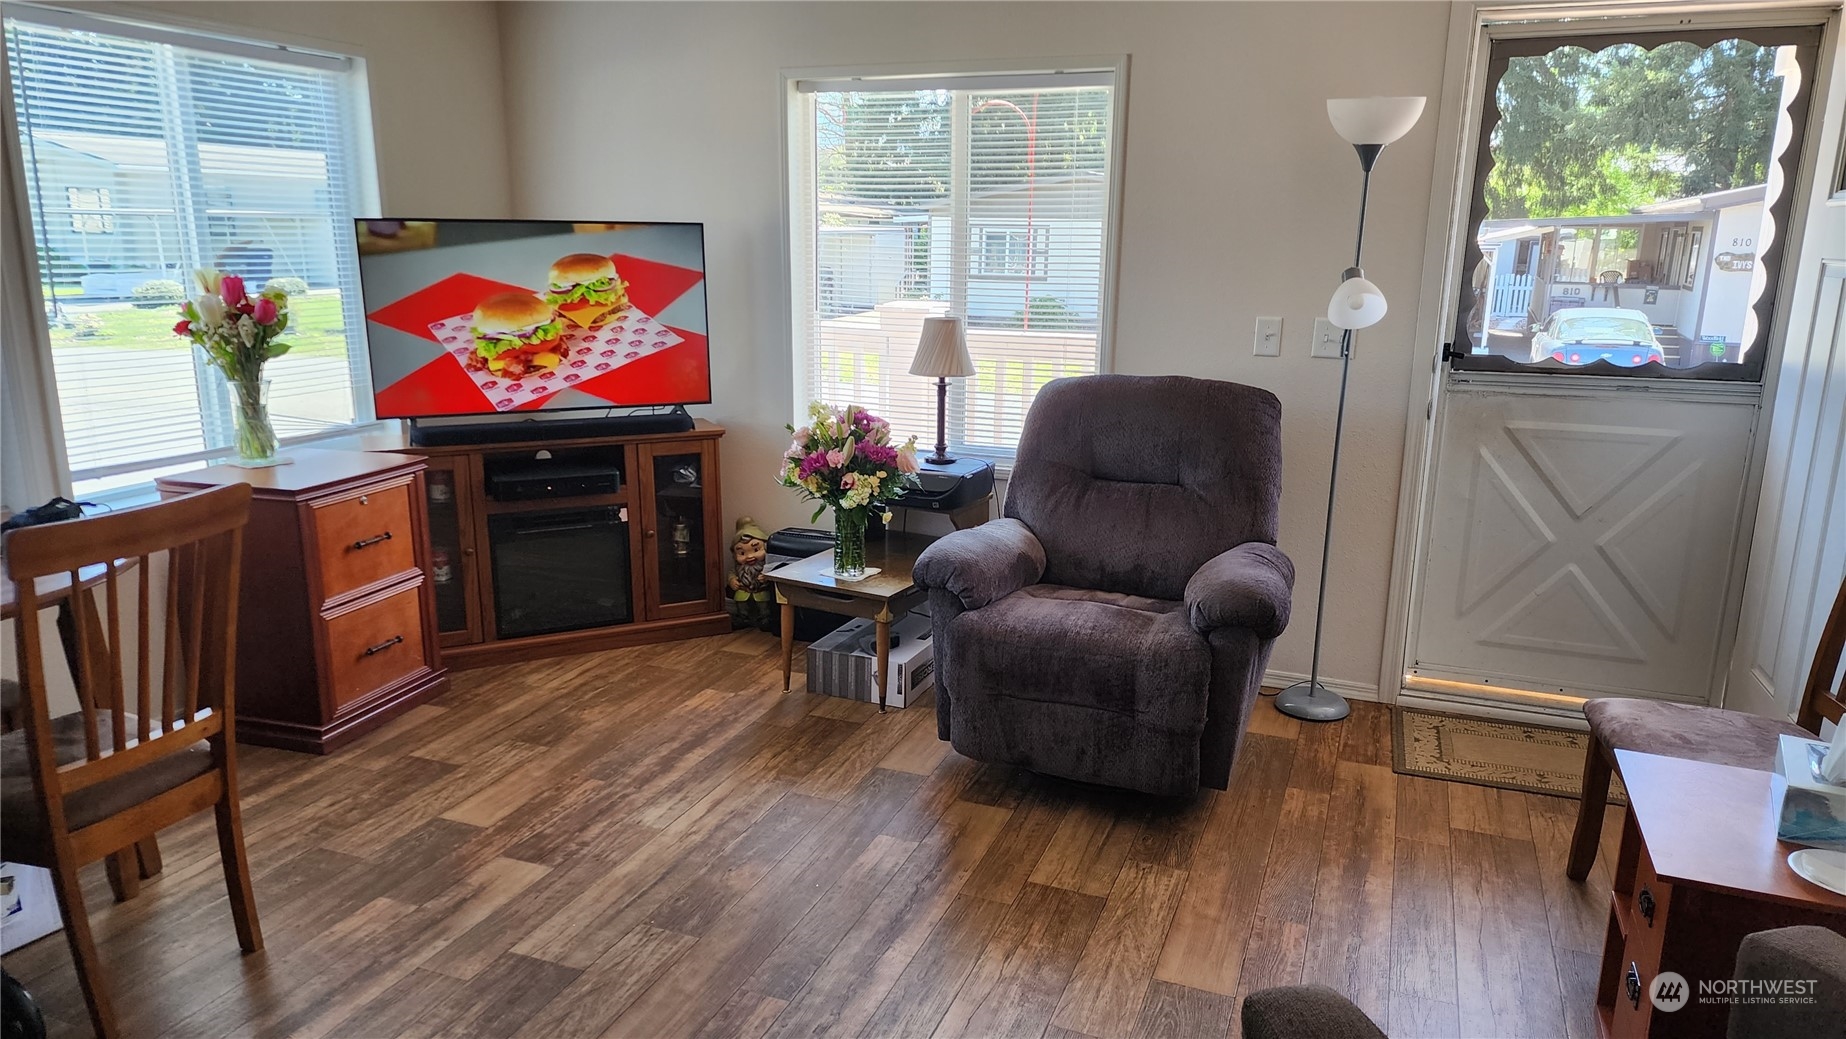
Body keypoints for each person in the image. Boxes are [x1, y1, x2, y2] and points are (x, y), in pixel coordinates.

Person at [726, 517, 773, 630]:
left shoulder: (766, 565)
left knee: (764, 607)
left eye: (756, 550)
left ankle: (765, 619)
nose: (749, 556)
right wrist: (732, 580)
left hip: (761, 592)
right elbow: (732, 573)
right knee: (741, 606)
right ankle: (743, 618)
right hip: (743, 592)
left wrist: (766, 577)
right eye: (742, 553)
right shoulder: (740, 567)